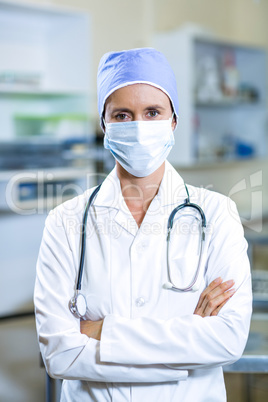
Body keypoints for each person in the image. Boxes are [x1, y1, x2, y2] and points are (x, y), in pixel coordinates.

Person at [34, 48, 252, 401]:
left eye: (153, 112)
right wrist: (187, 343)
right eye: (122, 115)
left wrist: (102, 331)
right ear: (104, 125)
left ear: (174, 121)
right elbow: (59, 355)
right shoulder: (65, 222)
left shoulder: (216, 214)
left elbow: (227, 340)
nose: (138, 126)